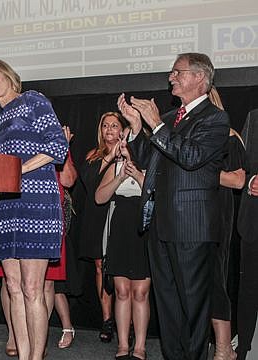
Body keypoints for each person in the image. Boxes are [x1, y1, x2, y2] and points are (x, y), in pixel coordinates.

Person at [118, 52, 230, 360]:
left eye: (177, 72)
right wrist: (137, 127)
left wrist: (155, 124)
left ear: (199, 78)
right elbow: (148, 160)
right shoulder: (168, 120)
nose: (172, 77)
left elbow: (191, 157)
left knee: (193, 306)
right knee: (167, 305)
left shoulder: (215, 118)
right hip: (160, 223)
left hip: (192, 226)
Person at [0, 57, 68, 360]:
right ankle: (25, 353)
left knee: (32, 288)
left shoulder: (32, 100)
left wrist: (19, 171)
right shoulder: (0, 120)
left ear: (8, 75)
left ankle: (36, 357)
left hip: (35, 203)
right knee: (13, 287)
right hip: (4, 207)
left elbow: (57, 147)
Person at [0, 126, 78, 357]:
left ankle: (37, 346)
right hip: (14, 212)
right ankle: (14, 334)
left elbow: (69, 180)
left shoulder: (55, 142)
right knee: (11, 282)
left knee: (45, 284)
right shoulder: (12, 140)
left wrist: (64, 148)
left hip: (47, 217)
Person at [95, 132, 151, 360]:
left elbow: (157, 195)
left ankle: (140, 346)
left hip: (143, 228)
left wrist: (137, 175)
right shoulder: (115, 166)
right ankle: (122, 344)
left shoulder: (152, 164)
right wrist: (119, 177)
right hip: (119, 228)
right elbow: (99, 197)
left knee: (140, 292)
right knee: (121, 291)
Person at [76, 111, 127, 343]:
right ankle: (107, 320)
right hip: (96, 216)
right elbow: (89, 181)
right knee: (101, 269)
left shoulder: (130, 154)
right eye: (105, 125)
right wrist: (109, 157)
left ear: (123, 129)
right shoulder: (93, 155)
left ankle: (126, 320)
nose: (109, 130)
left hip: (121, 216)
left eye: (114, 126)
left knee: (121, 271)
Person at [208, 87, 245, 360]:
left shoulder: (229, 137)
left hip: (217, 216)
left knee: (214, 282)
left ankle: (224, 348)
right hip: (187, 215)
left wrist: (199, 169)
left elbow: (237, 180)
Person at [236, 109, 258, 360]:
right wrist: (250, 180)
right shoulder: (253, 118)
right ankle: (243, 349)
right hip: (253, 220)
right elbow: (240, 167)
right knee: (249, 290)